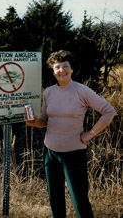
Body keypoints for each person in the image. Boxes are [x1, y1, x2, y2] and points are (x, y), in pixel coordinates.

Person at [26, 50, 116, 218]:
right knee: (55, 200)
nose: (62, 70)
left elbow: (109, 112)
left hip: (74, 154)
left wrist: (90, 134)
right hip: (50, 153)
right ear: (53, 71)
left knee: (80, 201)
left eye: (65, 66)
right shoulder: (48, 92)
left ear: (72, 69)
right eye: (57, 67)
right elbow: (45, 119)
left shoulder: (82, 91)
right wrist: (33, 122)